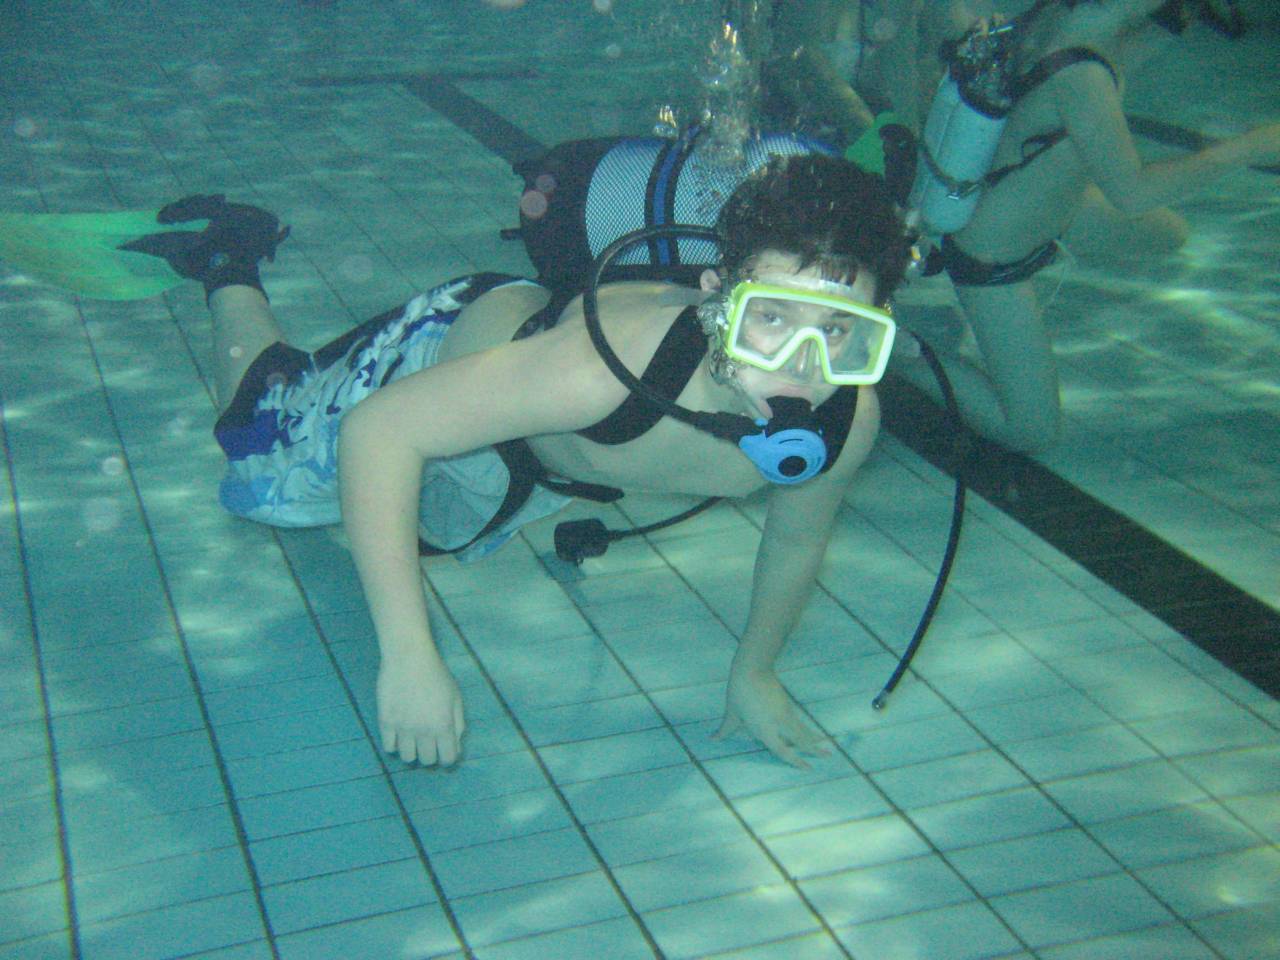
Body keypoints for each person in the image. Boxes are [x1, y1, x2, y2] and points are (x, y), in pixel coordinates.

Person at [132, 156, 912, 769]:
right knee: (259, 461)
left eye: (837, 332)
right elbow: (378, 433)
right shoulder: (595, 374)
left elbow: (795, 539)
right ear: (715, 302)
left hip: (536, 471)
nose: (800, 365)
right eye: (769, 319)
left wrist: (755, 672)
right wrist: (408, 658)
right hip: (455, 359)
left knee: (410, 534)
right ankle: (230, 258)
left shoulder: (845, 423)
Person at [896, 0, 1280, 452]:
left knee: (1169, 234)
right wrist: (1247, 149)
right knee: (1032, 432)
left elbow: (1111, 68)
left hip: (1047, 210)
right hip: (991, 257)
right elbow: (1132, 193)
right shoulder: (1080, 73)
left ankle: (1045, 251)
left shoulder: (1059, 26)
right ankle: (894, 351)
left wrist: (1173, 22)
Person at [757, 0, 979, 141]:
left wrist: (909, 143)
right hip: (793, 125)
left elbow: (902, 69)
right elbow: (800, 57)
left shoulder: (900, 13)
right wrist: (866, 130)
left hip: (860, 123)